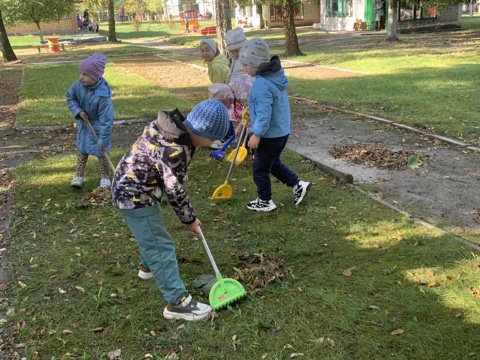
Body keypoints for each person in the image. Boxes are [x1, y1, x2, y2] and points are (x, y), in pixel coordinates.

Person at [110, 100, 231, 321]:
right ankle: (177, 303)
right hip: (134, 196)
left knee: (151, 235)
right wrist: (190, 220)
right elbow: (175, 191)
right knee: (160, 246)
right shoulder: (175, 150)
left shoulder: (169, 128)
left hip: (130, 184)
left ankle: (147, 268)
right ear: (200, 130)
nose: (212, 143)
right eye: (212, 138)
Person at [239, 38, 311, 212]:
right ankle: (298, 185)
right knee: (272, 163)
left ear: (255, 64)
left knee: (260, 169)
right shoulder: (274, 77)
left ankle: (265, 200)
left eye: (246, 65)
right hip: (281, 132)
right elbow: (269, 104)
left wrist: (256, 134)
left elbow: (265, 114)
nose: (244, 68)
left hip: (268, 135)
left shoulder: (262, 84)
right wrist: (253, 108)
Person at [66, 53, 114, 189]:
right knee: (82, 150)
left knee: (101, 152)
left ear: (96, 76)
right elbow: (70, 97)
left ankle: (105, 178)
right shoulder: (78, 85)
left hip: (99, 127)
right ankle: (79, 176)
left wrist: (104, 140)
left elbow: (107, 120)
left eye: (85, 74)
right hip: (84, 125)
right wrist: (78, 111)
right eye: (81, 73)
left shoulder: (103, 95)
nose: (81, 77)